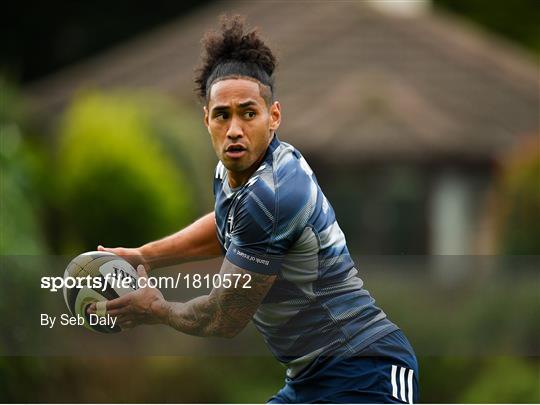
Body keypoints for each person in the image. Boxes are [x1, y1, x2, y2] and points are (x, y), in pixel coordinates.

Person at [90, 16, 419, 404]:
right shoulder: (234, 171)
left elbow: (223, 317)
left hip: (366, 371)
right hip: (308, 379)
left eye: (248, 113)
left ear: (273, 117)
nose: (234, 129)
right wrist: (146, 255)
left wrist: (157, 310)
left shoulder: (274, 195)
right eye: (222, 115)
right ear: (207, 119)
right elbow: (226, 225)